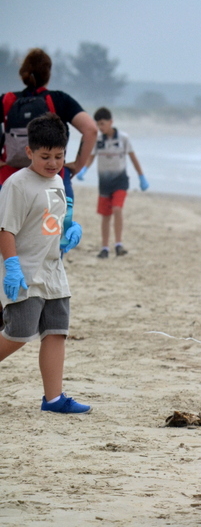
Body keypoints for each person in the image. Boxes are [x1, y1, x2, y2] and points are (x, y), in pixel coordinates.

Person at [0, 114, 90, 414]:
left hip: (53, 269)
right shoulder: (17, 184)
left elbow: (53, 220)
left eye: (59, 156)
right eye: (45, 156)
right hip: (24, 270)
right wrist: (11, 266)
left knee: (56, 331)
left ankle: (53, 399)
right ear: (29, 152)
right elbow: (6, 229)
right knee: (19, 333)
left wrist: (69, 231)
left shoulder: (58, 181)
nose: (52, 163)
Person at [1, 48, 97, 200]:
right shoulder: (59, 99)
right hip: (53, 177)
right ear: (48, 74)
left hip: (9, 176)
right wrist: (78, 165)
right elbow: (91, 129)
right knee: (57, 222)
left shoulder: (8, 100)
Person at [77, 107, 149, 258]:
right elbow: (91, 157)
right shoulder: (98, 139)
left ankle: (118, 244)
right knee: (105, 215)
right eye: (98, 124)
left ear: (111, 122)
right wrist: (83, 170)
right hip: (104, 182)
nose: (100, 127)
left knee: (117, 209)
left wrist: (141, 176)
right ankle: (104, 247)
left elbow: (133, 157)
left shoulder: (123, 138)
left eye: (103, 123)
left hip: (120, 181)